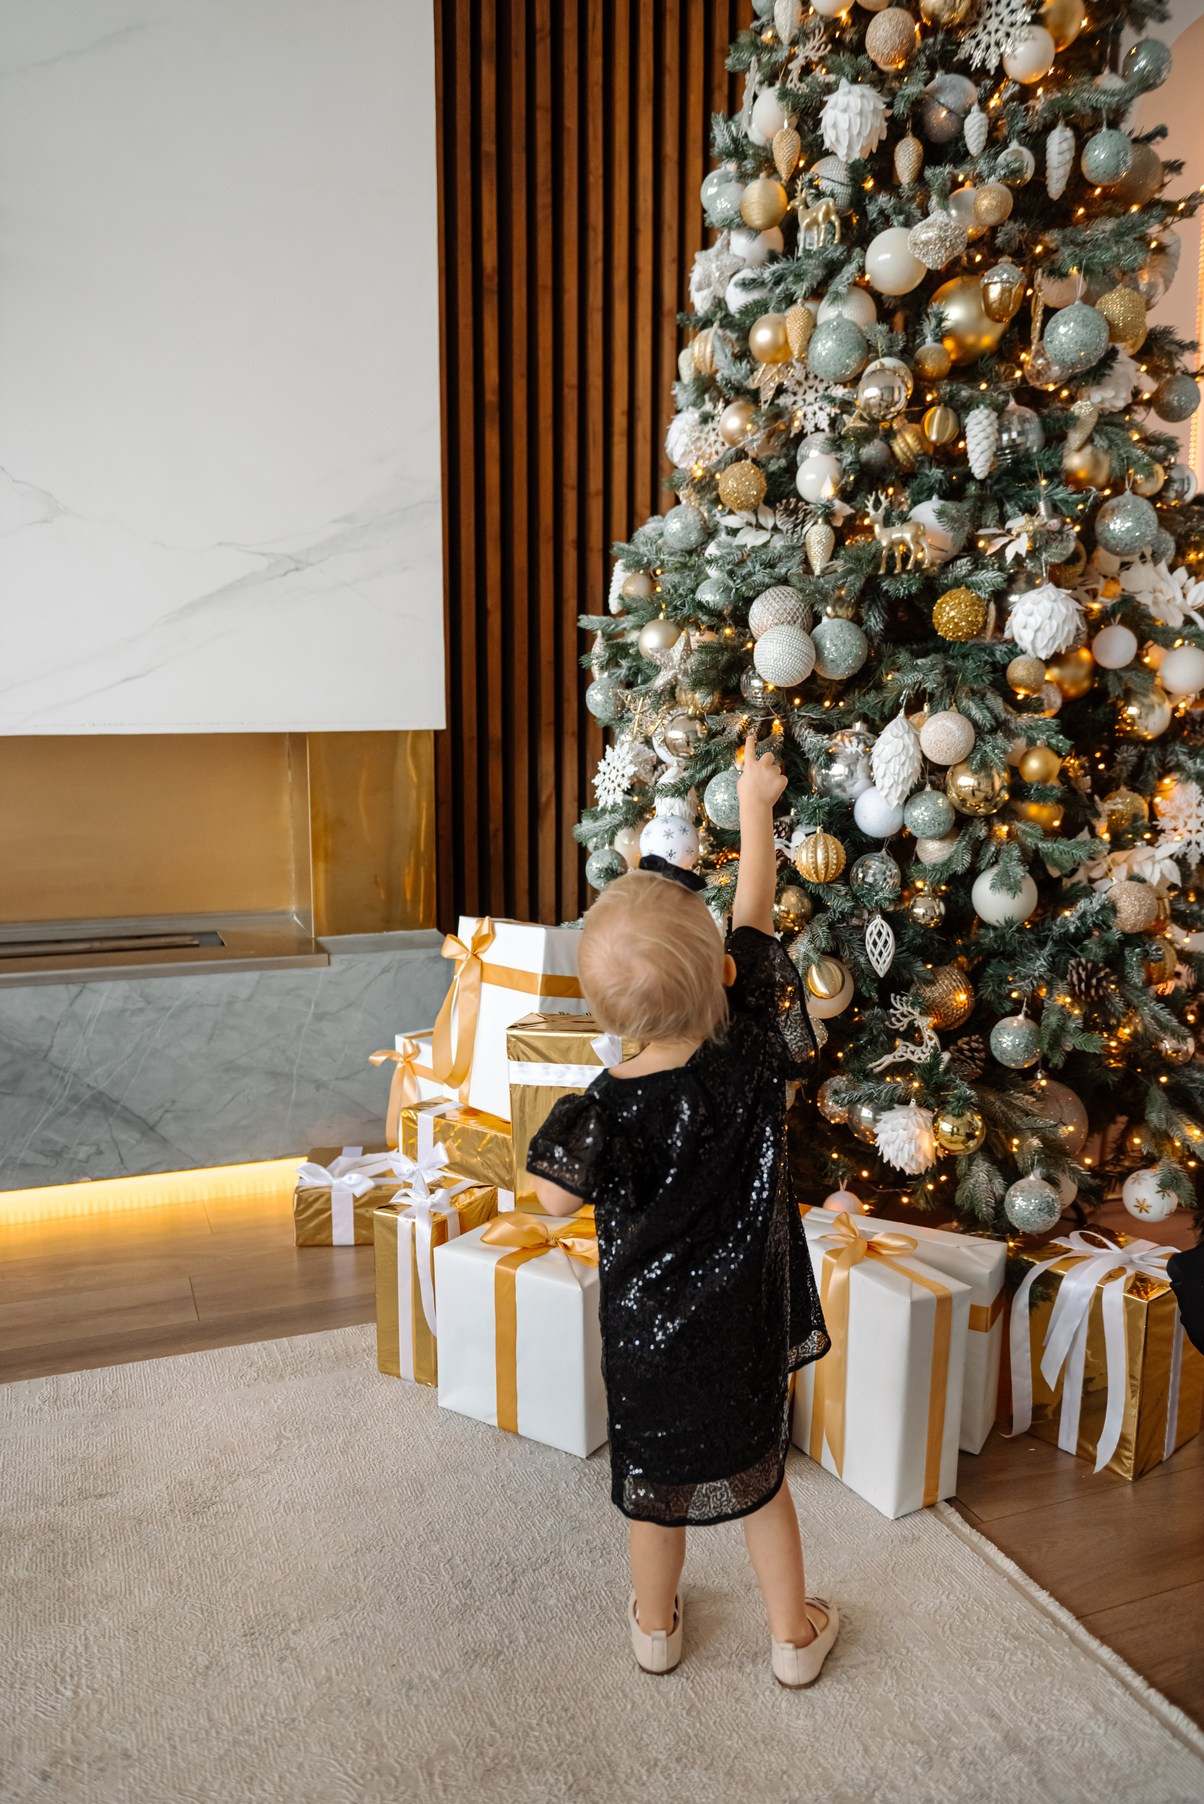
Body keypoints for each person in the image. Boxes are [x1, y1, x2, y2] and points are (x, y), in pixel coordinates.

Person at [528, 734, 837, 1686]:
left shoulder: (607, 1112)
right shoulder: (746, 1053)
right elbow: (750, 909)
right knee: (760, 1482)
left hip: (650, 1341)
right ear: (723, 978)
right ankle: (792, 1637)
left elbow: (546, 1201)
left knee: (655, 1493)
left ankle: (656, 1628)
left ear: (602, 1010)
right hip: (742, 1328)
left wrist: (576, 1126)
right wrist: (754, 806)